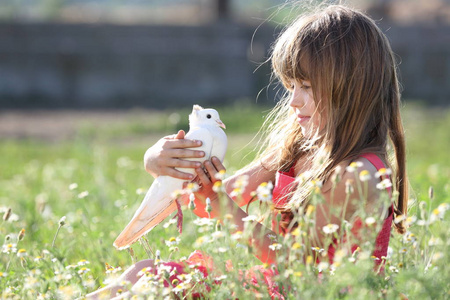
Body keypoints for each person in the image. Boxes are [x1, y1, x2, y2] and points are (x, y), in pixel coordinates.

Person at [87, 4, 408, 299]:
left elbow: (296, 262)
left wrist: (220, 204)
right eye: (290, 86)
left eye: (307, 87)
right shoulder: (297, 145)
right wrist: (159, 162)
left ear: (353, 86)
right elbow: (211, 198)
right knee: (147, 274)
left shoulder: (359, 174)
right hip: (280, 287)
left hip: (314, 293)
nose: (293, 101)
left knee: (156, 283)